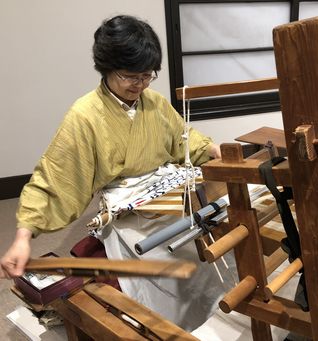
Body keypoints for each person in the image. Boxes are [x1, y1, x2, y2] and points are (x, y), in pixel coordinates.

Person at [0, 15, 231, 331]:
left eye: (148, 76)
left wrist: (214, 150)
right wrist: (24, 236)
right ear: (106, 69)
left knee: (213, 241)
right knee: (156, 267)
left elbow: (184, 139)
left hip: (170, 197)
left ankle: (213, 311)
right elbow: (54, 177)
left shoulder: (155, 103)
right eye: (130, 77)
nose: (141, 85)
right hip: (128, 210)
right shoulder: (84, 116)